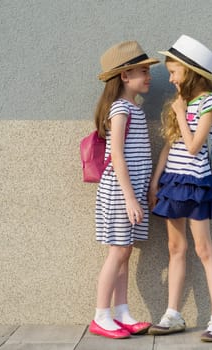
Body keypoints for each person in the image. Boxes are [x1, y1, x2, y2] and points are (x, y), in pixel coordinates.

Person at [148, 35, 212, 342]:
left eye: (174, 72)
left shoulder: (209, 103)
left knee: (203, 249)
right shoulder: (183, 102)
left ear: (190, 72)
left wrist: (181, 113)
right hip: (173, 182)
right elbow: (171, 144)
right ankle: (173, 314)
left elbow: (195, 147)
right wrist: (157, 180)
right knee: (175, 248)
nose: (170, 79)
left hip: (196, 183)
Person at [89, 40, 159, 339]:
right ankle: (101, 315)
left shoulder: (133, 108)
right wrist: (131, 198)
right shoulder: (120, 108)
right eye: (142, 71)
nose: (148, 76)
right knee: (117, 252)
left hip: (130, 190)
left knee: (125, 251)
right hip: (120, 192)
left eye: (147, 71)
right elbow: (116, 154)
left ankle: (122, 312)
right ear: (124, 77)